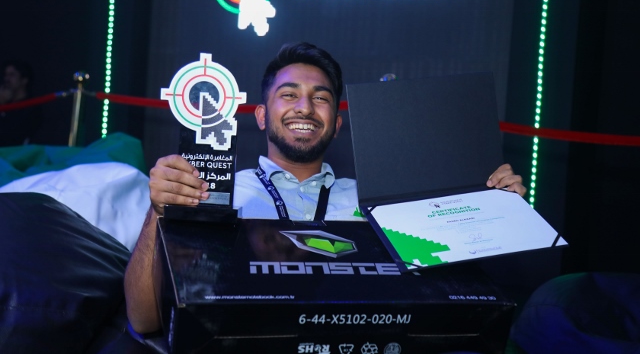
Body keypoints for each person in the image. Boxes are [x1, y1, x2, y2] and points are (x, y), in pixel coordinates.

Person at [124, 42, 526, 334]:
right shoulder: (213, 193)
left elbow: (453, 307)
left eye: (321, 98)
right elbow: (144, 320)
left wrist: (495, 209)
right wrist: (157, 214)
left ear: (336, 124)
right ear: (261, 116)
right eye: (289, 95)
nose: (304, 107)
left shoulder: (381, 199)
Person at [0, 60, 43, 147]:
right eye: (5, 75)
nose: (6, 79)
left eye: (12, 75)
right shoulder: (5, 102)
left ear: (24, 80)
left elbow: (11, 136)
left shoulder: (31, 107)